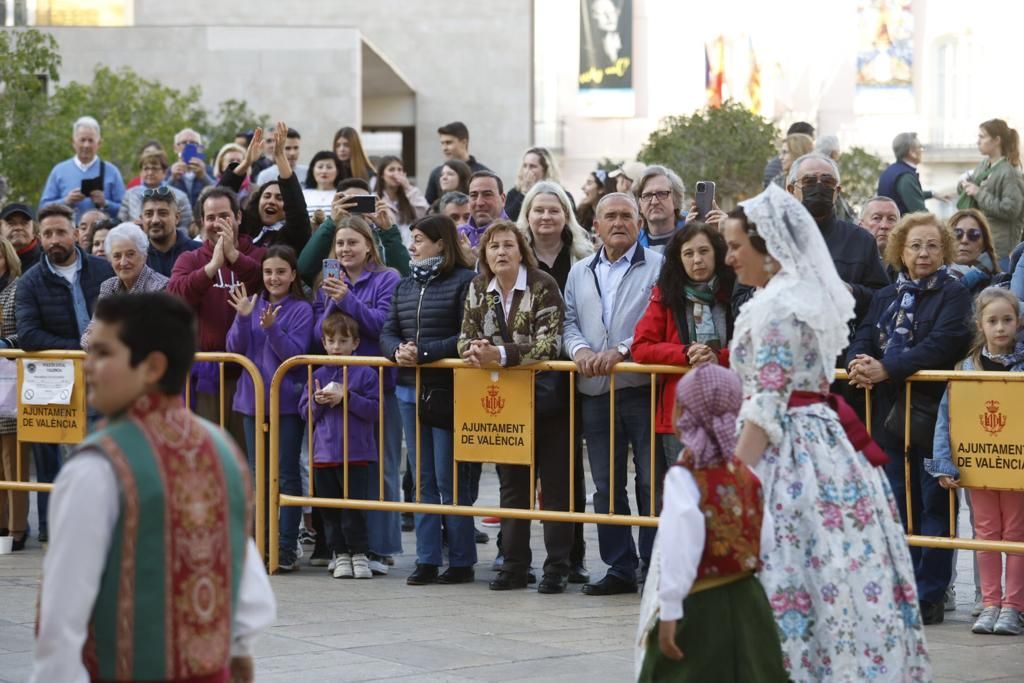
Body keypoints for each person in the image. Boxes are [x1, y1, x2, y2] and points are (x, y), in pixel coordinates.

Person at [725, 186, 930, 679]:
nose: (728, 257)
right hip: (823, 447)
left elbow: (768, 403)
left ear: (769, 247)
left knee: (786, 568)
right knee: (827, 571)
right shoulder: (790, 296)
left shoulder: (779, 307)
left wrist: (728, 481)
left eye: (735, 246)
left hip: (787, 452)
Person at [31, 292, 276, 683]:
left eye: (102, 353)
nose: (88, 366)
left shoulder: (98, 466)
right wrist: (237, 655)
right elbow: (250, 593)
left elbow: (61, 617)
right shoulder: (222, 449)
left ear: (152, 366)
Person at [847, 212, 972, 626]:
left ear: (944, 251)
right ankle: (899, 588)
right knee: (896, 504)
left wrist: (888, 367)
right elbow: (863, 334)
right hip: (887, 415)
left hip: (935, 416)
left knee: (934, 504)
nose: (923, 253)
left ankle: (929, 594)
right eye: (915, 245)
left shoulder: (953, 294)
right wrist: (858, 362)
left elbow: (944, 342)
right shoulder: (885, 295)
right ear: (900, 249)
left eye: (932, 245)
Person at [635, 364, 786, 683]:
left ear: (684, 412)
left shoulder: (684, 477)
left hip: (701, 606)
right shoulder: (747, 474)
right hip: (750, 602)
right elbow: (767, 539)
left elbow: (679, 550)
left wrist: (671, 609)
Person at [457, 220, 569, 593]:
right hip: (504, 403)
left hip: (547, 398)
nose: (501, 252)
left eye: (508, 245)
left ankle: (557, 567)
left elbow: (550, 344)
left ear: (521, 250)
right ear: (484, 254)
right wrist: (476, 351)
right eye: (493, 246)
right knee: (512, 487)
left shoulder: (542, 284)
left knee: (553, 488)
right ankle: (515, 565)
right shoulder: (477, 288)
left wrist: (500, 354)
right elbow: (464, 338)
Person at [564, 192, 664, 595]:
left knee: (649, 482)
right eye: (611, 216)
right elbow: (568, 320)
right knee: (606, 484)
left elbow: (656, 319)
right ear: (597, 226)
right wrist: (580, 351)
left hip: (639, 388)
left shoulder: (659, 266)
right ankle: (619, 568)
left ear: (639, 225)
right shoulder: (580, 271)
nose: (619, 222)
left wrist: (621, 351)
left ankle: (653, 566)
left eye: (627, 216)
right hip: (594, 391)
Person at [380, 214, 477, 586]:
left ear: (441, 243)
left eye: (419, 239)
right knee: (420, 478)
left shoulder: (464, 281)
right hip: (408, 388)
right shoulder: (405, 285)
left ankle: (462, 559)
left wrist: (421, 353)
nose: (412, 246)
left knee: (448, 478)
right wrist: (397, 351)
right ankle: (426, 558)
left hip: (448, 390)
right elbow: (388, 331)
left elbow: (465, 335)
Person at [927, 288, 1024, 635]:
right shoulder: (965, 368)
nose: (1000, 328)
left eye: (1007, 320)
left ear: (1017, 322)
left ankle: (1014, 606)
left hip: (1016, 470)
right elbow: (947, 418)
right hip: (978, 467)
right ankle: (990, 603)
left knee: (1015, 534)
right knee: (984, 533)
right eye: (993, 321)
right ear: (980, 325)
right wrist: (944, 462)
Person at [16, 203, 114, 543]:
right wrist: (78, 346)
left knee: (101, 455)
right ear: (38, 238)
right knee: (52, 462)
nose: (54, 239)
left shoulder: (103, 270)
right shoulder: (29, 282)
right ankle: (52, 530)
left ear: (76, 233)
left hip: (104, 379)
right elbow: (27, 334)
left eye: (60, 232)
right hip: (54, 383)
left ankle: (103, 527)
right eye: (47, 234)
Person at [311, 216, 401, 575]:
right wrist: (334, 299)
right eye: (340, 245)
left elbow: (382, 325)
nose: (346, 250)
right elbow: (322, 334)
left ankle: (381, 548)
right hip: (333, 387)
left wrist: (348, 298)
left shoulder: (387, 278)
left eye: (352, 243)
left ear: (368, 245)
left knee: (381, 467)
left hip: (375, 384)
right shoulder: (326, 285)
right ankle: (348, 548)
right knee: (343, 472)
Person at [516, 180, 595, 584]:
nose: (546, 217)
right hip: (520, 379)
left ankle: (571, 555)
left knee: (567, 474)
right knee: (518, 470)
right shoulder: (511, 256)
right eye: (538, 210)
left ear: (566, 216)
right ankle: (512, 555)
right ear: (527, 216)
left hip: (569, 377)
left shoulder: (584, 259)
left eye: (554, 210)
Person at [226, 245, 312, 572]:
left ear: (292, 275)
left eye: (280, 272)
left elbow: (294, 353)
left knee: (286, 474)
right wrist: (243, 318)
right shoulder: (253, 303)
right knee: (257, 475)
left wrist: (272, 328)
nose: (274, 278)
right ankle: (260, 541)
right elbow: (234, 348)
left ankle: (286, 544)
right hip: (251, 402)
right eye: (268, 272)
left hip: (285, 403)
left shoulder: (301, 309)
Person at [166, 186, 266, 450]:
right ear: (201, 222)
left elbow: (263, 280)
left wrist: (233, 257)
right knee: (207, 457)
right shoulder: (190, 258)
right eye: (210, 217)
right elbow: (175, 296)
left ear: (238, 217)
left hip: (252, 375)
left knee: (249, 460)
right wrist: (211, 267)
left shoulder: (259, 254)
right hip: (207, 377)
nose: (216, 223)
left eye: (224, 216)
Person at [633, 223, 735, 470]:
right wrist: (686, 353)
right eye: (688, 254)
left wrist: (717, 357)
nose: (697, 260)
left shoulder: (735, 293)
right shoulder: (666, 295)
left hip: (730, 411)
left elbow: (753, 349)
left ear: (717, 253)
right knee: (685, 495)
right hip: (680, 414)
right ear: (679, 259)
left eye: (704, 251)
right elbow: (642, 347)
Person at [298, 311, 380, 580]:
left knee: (354, 508)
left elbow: (376, 411)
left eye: (343, 341)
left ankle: (359, 553)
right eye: (331, 341)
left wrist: (347, 398)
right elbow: (305, 414)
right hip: (324, 454)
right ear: (323, 343)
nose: (337, 347)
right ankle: (339, 553)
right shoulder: (317, 371)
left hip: (357, 454)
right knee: (330, 510)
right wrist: (318, 402)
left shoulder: (367, 372)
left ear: (355, 344)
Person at [787, 152, 889, 330]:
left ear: (837, 191)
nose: (819, 188)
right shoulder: (768, 238)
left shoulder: (861, 241)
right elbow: (740, 301)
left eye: (827, 182)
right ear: (791, 190)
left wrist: (850, 291)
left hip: (842, 349)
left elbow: (883, 300)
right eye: (809, 181)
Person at [219, 123, 311, 255]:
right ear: (257, 201)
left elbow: (297, 209)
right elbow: (221, 197)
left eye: (279, 198)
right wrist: (246, 163)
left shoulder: (294, 234)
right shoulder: (245, 227)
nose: (271, 201)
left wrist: (280, 157)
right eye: (267, 196)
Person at [297, 180, 410, 285]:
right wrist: (331, 223)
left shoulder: (382, 238)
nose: (357, 209)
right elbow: (304, 270)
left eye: (362, 202)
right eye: (350, 203)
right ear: (337, 204)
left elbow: (405, 278)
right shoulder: (328, 235)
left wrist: (388, 231)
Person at [81, 222, 169, 347]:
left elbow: (153, 341)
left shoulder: (160, 287)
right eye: (117, 256)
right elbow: (87, 337)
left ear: (144, 256)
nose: (123, 262)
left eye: (130, 254)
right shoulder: (108, 287)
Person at [957, 118, 1024, 260]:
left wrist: (978, 193)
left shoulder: (1009, 172)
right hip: (981, 245)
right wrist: (963, 185)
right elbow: (971, 195)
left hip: (1000, 250)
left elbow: (1011, 210)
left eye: (982, 136)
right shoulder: (983, 165)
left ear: (996, 140)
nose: (978, 141)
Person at [39, 116, 125, 222]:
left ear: (99, 144)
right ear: (73, 142)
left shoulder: (112, 172)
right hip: (67, 234)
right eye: (82, 140)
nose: (86, 145)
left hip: (102, 236)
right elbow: (42, 208)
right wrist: (66, 201)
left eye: (91, 140)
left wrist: (105, 203)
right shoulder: (59, 171)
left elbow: (125, 211)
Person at [0, 237, 24, 551]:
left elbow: (25, 330)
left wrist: (4, 345)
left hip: (8, 380)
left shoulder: (17, 289)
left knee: (12, 459)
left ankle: (17, 529)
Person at [118, 151, 192, 230]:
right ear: (141, 172)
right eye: (146, 168)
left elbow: (185, 225)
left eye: (154, 168)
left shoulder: (179, 196)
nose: (150, 172)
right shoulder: (130, 194)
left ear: (164, 172)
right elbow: (122, 221)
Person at [140, 187, 202, 277]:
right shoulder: (136, 256)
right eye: (149, 214)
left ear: (177, 218)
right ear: (141, 219)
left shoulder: (198, 252)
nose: (155, 220)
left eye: (162, 213)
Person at [424, 121, 491, 205]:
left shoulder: (483, 173)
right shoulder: (436, 173)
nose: (444, 148)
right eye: (442, 143)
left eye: (449, 143)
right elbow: (428, 207)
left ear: (464, 142)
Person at [877, 132, 942, 215]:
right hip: (902, 227)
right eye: (920, 147)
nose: (922, 151)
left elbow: (906, 195)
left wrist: (932, 194)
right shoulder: (906, 176)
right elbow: (921, 214)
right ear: (912, 152)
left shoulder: (891, 170)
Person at [375, 155, 429, 244]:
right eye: (391, 170)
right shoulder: (376, 198)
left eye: (400, 170)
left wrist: (408, 188)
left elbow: (424, 215)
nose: (396, 173)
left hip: (410, 248)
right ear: (382, 174)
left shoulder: (412, 192)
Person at [634, 165, 688, 252]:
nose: (654, 202)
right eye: (647, 195)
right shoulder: (631, 246)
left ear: (676, 200)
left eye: (662, 194)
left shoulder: (694, 235)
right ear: (639, 205)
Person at [948, 208, 1001, 295]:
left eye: (973, 234)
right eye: (957, 233)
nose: (964, 240)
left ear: (984, 243)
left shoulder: (998, 286)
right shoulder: (930, 280)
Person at [505, 147, 563, 221]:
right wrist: (524, 192)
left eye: (532, 166)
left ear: (545, 170)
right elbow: (507, 219)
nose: (527, 171)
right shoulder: (514, 193)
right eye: (525, 166)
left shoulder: (560, 194)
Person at [458, 171, 509, 250]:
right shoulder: (457, 235)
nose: (479, 203)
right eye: (473, 195)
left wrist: (474, 262)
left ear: (503, 199)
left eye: (487, 194)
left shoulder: (516, 236)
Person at [167, 127, 215, 209]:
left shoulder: (210, 170)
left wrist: (204, 177)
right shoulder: (168, 172)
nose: (188, 145)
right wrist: (172, 179)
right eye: (184, 142)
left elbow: (220, 193)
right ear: (175, 148)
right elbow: (158, 195)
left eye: (193, 142)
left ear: (200, 148)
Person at [762, 121, 814, 189]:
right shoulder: (777, 182)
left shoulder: (815, 182)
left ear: (797, 153)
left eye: (785, 152)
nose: (780, 157)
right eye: (782, 152)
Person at [0, 203, 42, 272]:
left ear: (34, 230)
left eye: (24, 223)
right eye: (11, 223)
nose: (18, 228)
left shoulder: (47, 260)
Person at [303, 150, 343, 218]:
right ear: (312, 170)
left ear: (338, 171)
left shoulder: (342, 194)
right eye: (320, 167)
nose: (324, 171)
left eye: (329, 167)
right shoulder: (303, 194)